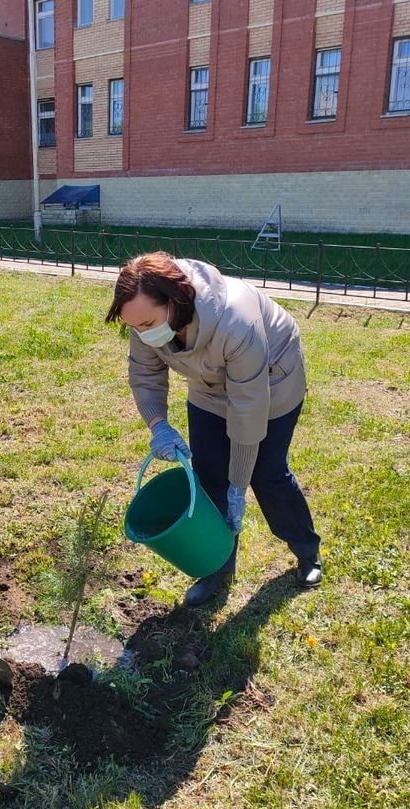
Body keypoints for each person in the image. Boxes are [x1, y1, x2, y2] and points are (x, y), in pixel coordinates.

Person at [106, 252, 322, 606]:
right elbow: (145, 374)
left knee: (266, 475)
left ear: (176, 302)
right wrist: (158, 426)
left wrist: (239, 484)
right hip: (208, 389)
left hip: (272, 383)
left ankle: (306, 551)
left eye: (146, 324)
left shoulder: (236, 321)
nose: (141, 333)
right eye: (134, 327)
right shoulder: (143, 319)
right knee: (208, 477)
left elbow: (248, 412)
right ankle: (217, 566)